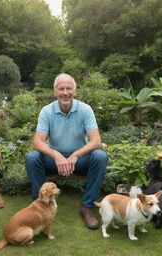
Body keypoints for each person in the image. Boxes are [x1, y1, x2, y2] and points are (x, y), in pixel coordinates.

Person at [25, 73, 108, 229]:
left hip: (79, 161)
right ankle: (40, 203)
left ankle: (87, 206)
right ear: (55, 91)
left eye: (69, 88)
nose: (65, 92)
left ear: (75, 91)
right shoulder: (46, 111)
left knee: (100, 156)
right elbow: (37, 142)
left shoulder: (85, 110)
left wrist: (76, 155)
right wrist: (56, 155)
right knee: (32, 157)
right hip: (54, 161)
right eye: (61, 88)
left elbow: (96, 141)